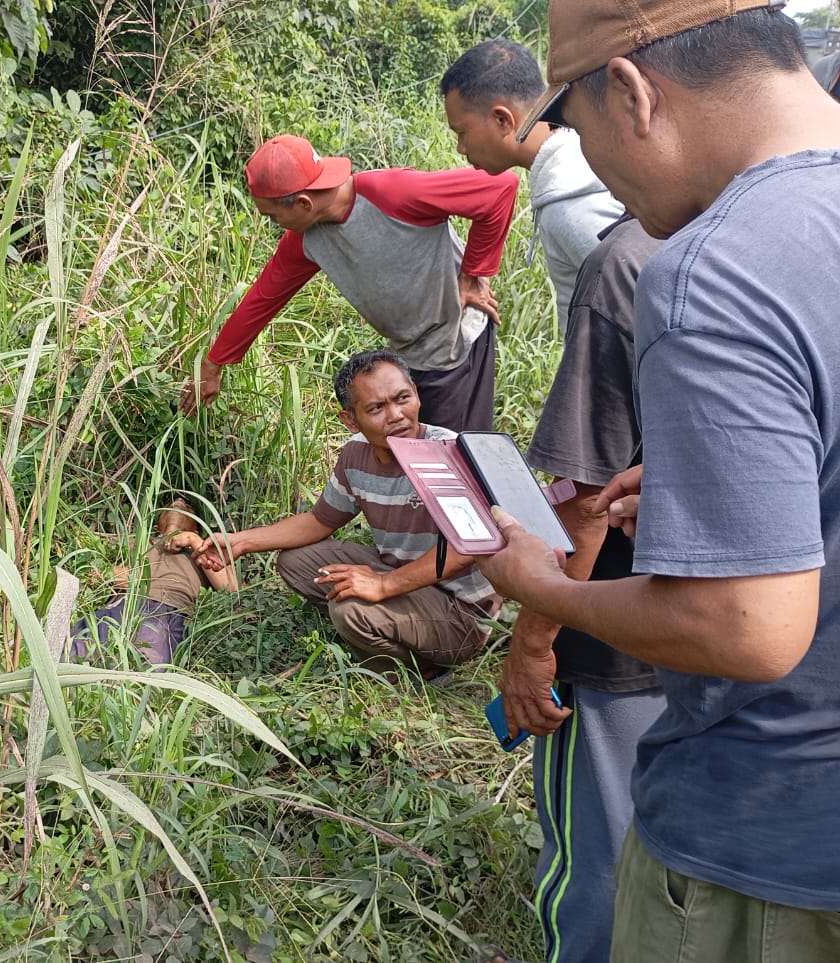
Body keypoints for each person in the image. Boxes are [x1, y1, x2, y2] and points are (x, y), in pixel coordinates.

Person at [476, 3, 840, 961]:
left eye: (586, 134)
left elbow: (747, 626)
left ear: (633, 94)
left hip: (766, 850)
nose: (601, 172)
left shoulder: (709, 267)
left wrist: (543, 588)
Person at [494, 215, 667, 963]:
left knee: (598, 852)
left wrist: (535, 641)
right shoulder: (781, 234)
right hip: (740, 635)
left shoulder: (624, 262)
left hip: (613, 640)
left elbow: (586, 498)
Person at [179, 135, 519, 432]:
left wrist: (474, 273)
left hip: (456, 339)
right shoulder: (306, 239)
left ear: (303, 203)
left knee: (455, 460)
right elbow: (263, 299)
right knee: (415, 458)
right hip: (410, 351)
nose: (275, 223)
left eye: (272, 215)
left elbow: (498, 189)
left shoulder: (393, 192)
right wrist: (213, 364)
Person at [193, 349, 497, 681]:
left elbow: (470, 546)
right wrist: (240, 542)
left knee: (349, 610)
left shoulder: (446, 453)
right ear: (350, 419)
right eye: (376, 408)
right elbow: (320, 521)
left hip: (460, 611)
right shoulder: (356, 454)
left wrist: (383, 584)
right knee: (296, 562)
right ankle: (386, 625)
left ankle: (420, 669)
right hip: (406, 580)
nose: (395, 415)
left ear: (417, 395)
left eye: (402, 398)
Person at [441, 39, 623, 333]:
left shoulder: (569, 208)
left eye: (462, 132)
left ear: (502, 119)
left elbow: (645, 300)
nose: (461, 148)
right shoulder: (583, 156)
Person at [69, 498, 238, 665]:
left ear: (196, 529)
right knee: (64, 660)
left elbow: (233, 588)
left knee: (138, 679)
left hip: (165, 614)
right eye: (170, 506)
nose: (177, 503)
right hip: (121, 607)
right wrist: (127, 577)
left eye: (186, 507)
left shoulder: (204, 549)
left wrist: (194, 542)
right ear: (157, 525)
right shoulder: (140, 542)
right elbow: (98, 573)